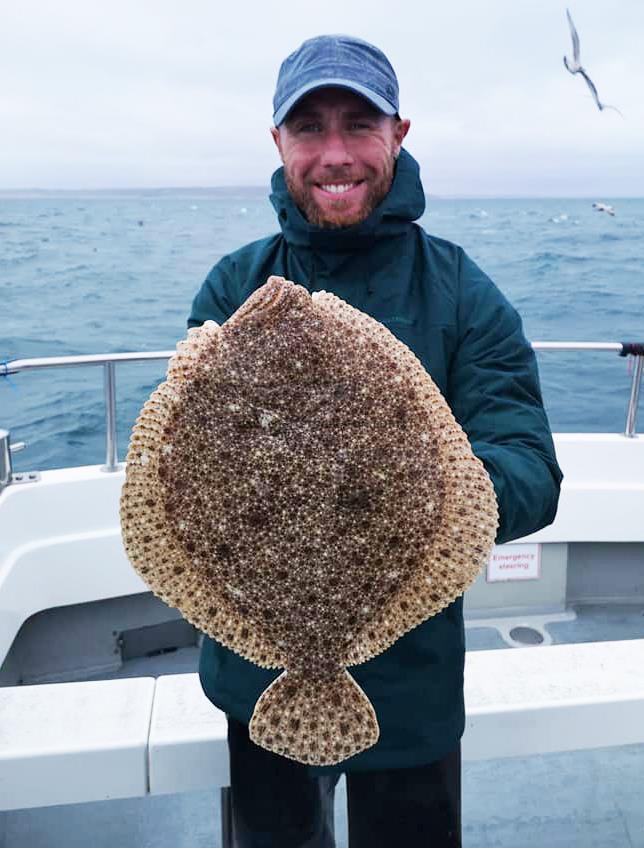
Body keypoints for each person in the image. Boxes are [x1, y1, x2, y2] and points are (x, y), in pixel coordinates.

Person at [188, 34, 563, 848]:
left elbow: (531, 469)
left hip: (411, 681)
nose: (334, 154)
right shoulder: (233, 285)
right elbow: (183, 464)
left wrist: (431, 491)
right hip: (258, 668)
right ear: (278, 143)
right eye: (309, 128)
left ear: (398, 134)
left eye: (358, 125)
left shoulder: (463, 291)